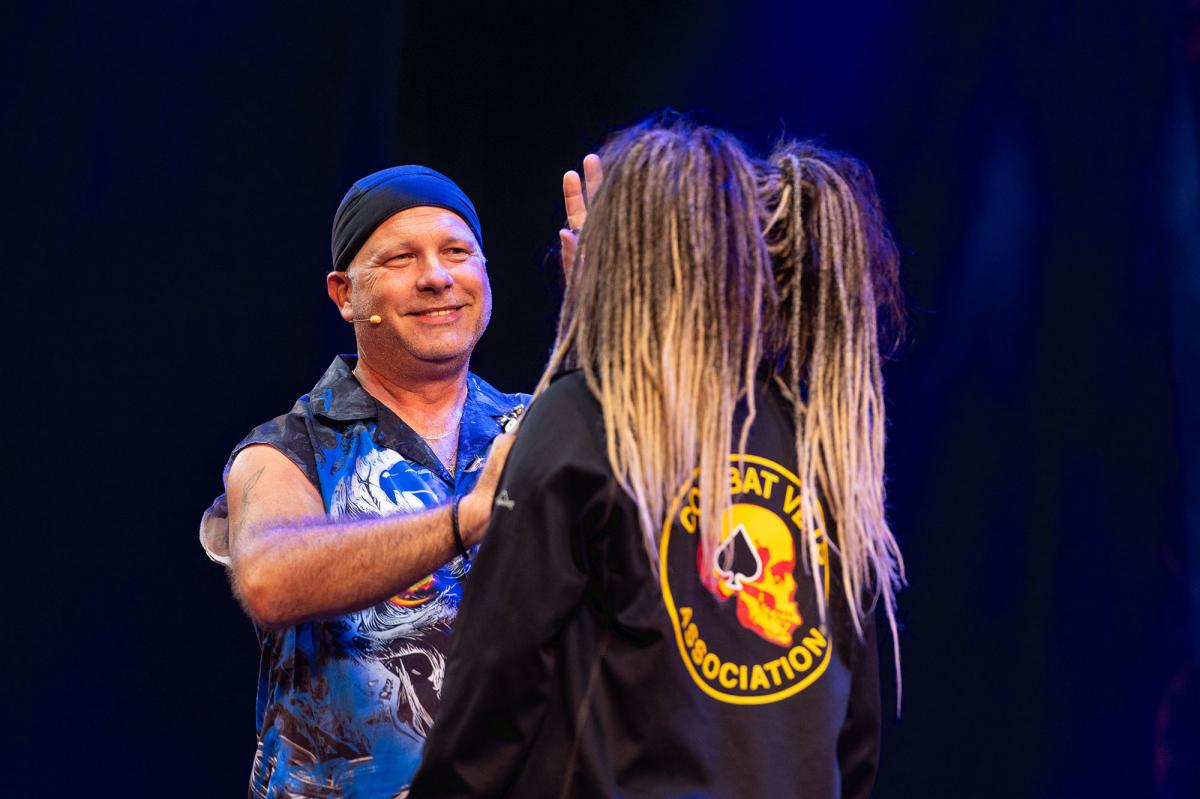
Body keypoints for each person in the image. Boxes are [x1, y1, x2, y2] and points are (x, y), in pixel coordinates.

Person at [410, 119, 907, 798]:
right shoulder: (821, 436)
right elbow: (855, 738)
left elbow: (495, 694)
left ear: (625, 260)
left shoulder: (587, 417)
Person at [200, 165, 531, 797]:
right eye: (401, 258)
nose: (436, 276)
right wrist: (467, 518)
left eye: (457, 252)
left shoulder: (538, 425)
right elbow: (271, 577)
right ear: (345, 295)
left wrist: (617, 310)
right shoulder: (287, 448)